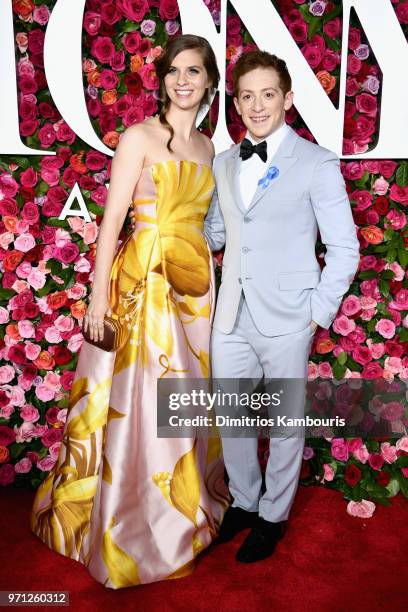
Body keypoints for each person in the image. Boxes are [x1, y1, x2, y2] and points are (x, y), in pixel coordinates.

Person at [30, 34, 230, 588]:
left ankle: (183, 505)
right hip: (143, 280)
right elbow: (112, 222)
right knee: (139, 395)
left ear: (210, 82)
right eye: (173, 70)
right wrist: (97, 297)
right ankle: (129, 517)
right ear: (162, 79)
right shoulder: (139, 137)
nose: (183, 80)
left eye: (194, 71)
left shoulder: (209, 148)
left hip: (195, 286)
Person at [204, 51, 360, 563]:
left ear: (287, 99)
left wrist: (316, 312)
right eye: (246, 95)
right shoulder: (224, 162)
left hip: (290, 314)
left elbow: (345, 247)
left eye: (267, 94)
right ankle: (246, 503)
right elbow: (217, 233)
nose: (256, 105)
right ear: (236, 102)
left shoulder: (315, 162)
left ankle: (273, 516)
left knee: (285, 422)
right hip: (230, 315)